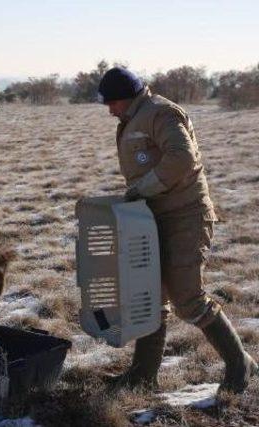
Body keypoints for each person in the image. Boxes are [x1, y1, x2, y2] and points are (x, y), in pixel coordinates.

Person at [98, 67, 258, 393]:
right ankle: (143, 376)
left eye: (111, 102)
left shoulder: (160, 112)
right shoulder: (134, 118)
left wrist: (143, 188)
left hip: (186, 217)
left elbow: (183, 157)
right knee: (149, 297)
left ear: (125, 97)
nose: (109, 109)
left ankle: (239, 364)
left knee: (188, 299)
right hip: (151, 219)